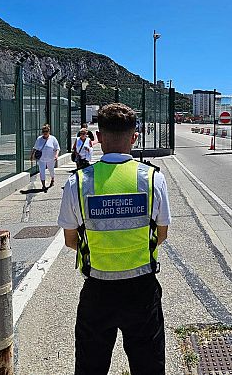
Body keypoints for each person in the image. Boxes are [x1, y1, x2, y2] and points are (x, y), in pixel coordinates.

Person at [58, 103, 171, 374]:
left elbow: (70, 240)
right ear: (135, 137)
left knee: (90, 367)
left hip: (97, 290)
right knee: (148, 367)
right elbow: (162, 235)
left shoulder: (79, 182)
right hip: (142, 289)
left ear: (98, 137)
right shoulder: (152, 178)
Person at [31, 124, 60, 192]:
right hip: (41, 158)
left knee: (51, 170)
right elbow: (35, 148)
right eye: (43, 131)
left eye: (46, 131)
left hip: (51, 158)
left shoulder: (53, 139)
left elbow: (57, 148)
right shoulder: (39, 139)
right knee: (42, 171)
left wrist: (56, 155)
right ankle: (43, 185)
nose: (45, 133)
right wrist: (32, 156)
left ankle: (52, 179)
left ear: (49, 131)